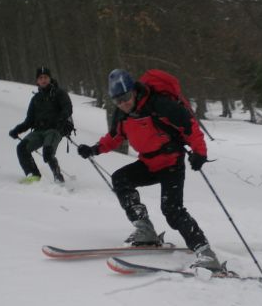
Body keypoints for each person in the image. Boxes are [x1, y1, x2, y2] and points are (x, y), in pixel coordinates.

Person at [77, 69, 222, 272]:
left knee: (172, 210)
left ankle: (206, 254)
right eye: (118, 100)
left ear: (134, 91)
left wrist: (200, 153)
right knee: (120, 179)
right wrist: (94, 149)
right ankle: (145, 230)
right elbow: (114, 137)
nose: (123, 103)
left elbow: (189, 127)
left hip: (171, 163)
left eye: (126, 97)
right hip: (148, 163)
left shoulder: (160, 105)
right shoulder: (122, 114)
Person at [9, 66, 73, 183]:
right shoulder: (35, 99)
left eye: (45, 77)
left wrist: (60, 120)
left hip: (55, 130)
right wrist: (17, 130)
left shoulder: (59, 93)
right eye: (40, 78)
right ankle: (33, 175)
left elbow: (68, 108)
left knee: (47, 152)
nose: (43, 80)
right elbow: (29, 121)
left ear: (50, 78)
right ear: (37, 81)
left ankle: (58, 177)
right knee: (22, 148)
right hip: (38, 131)